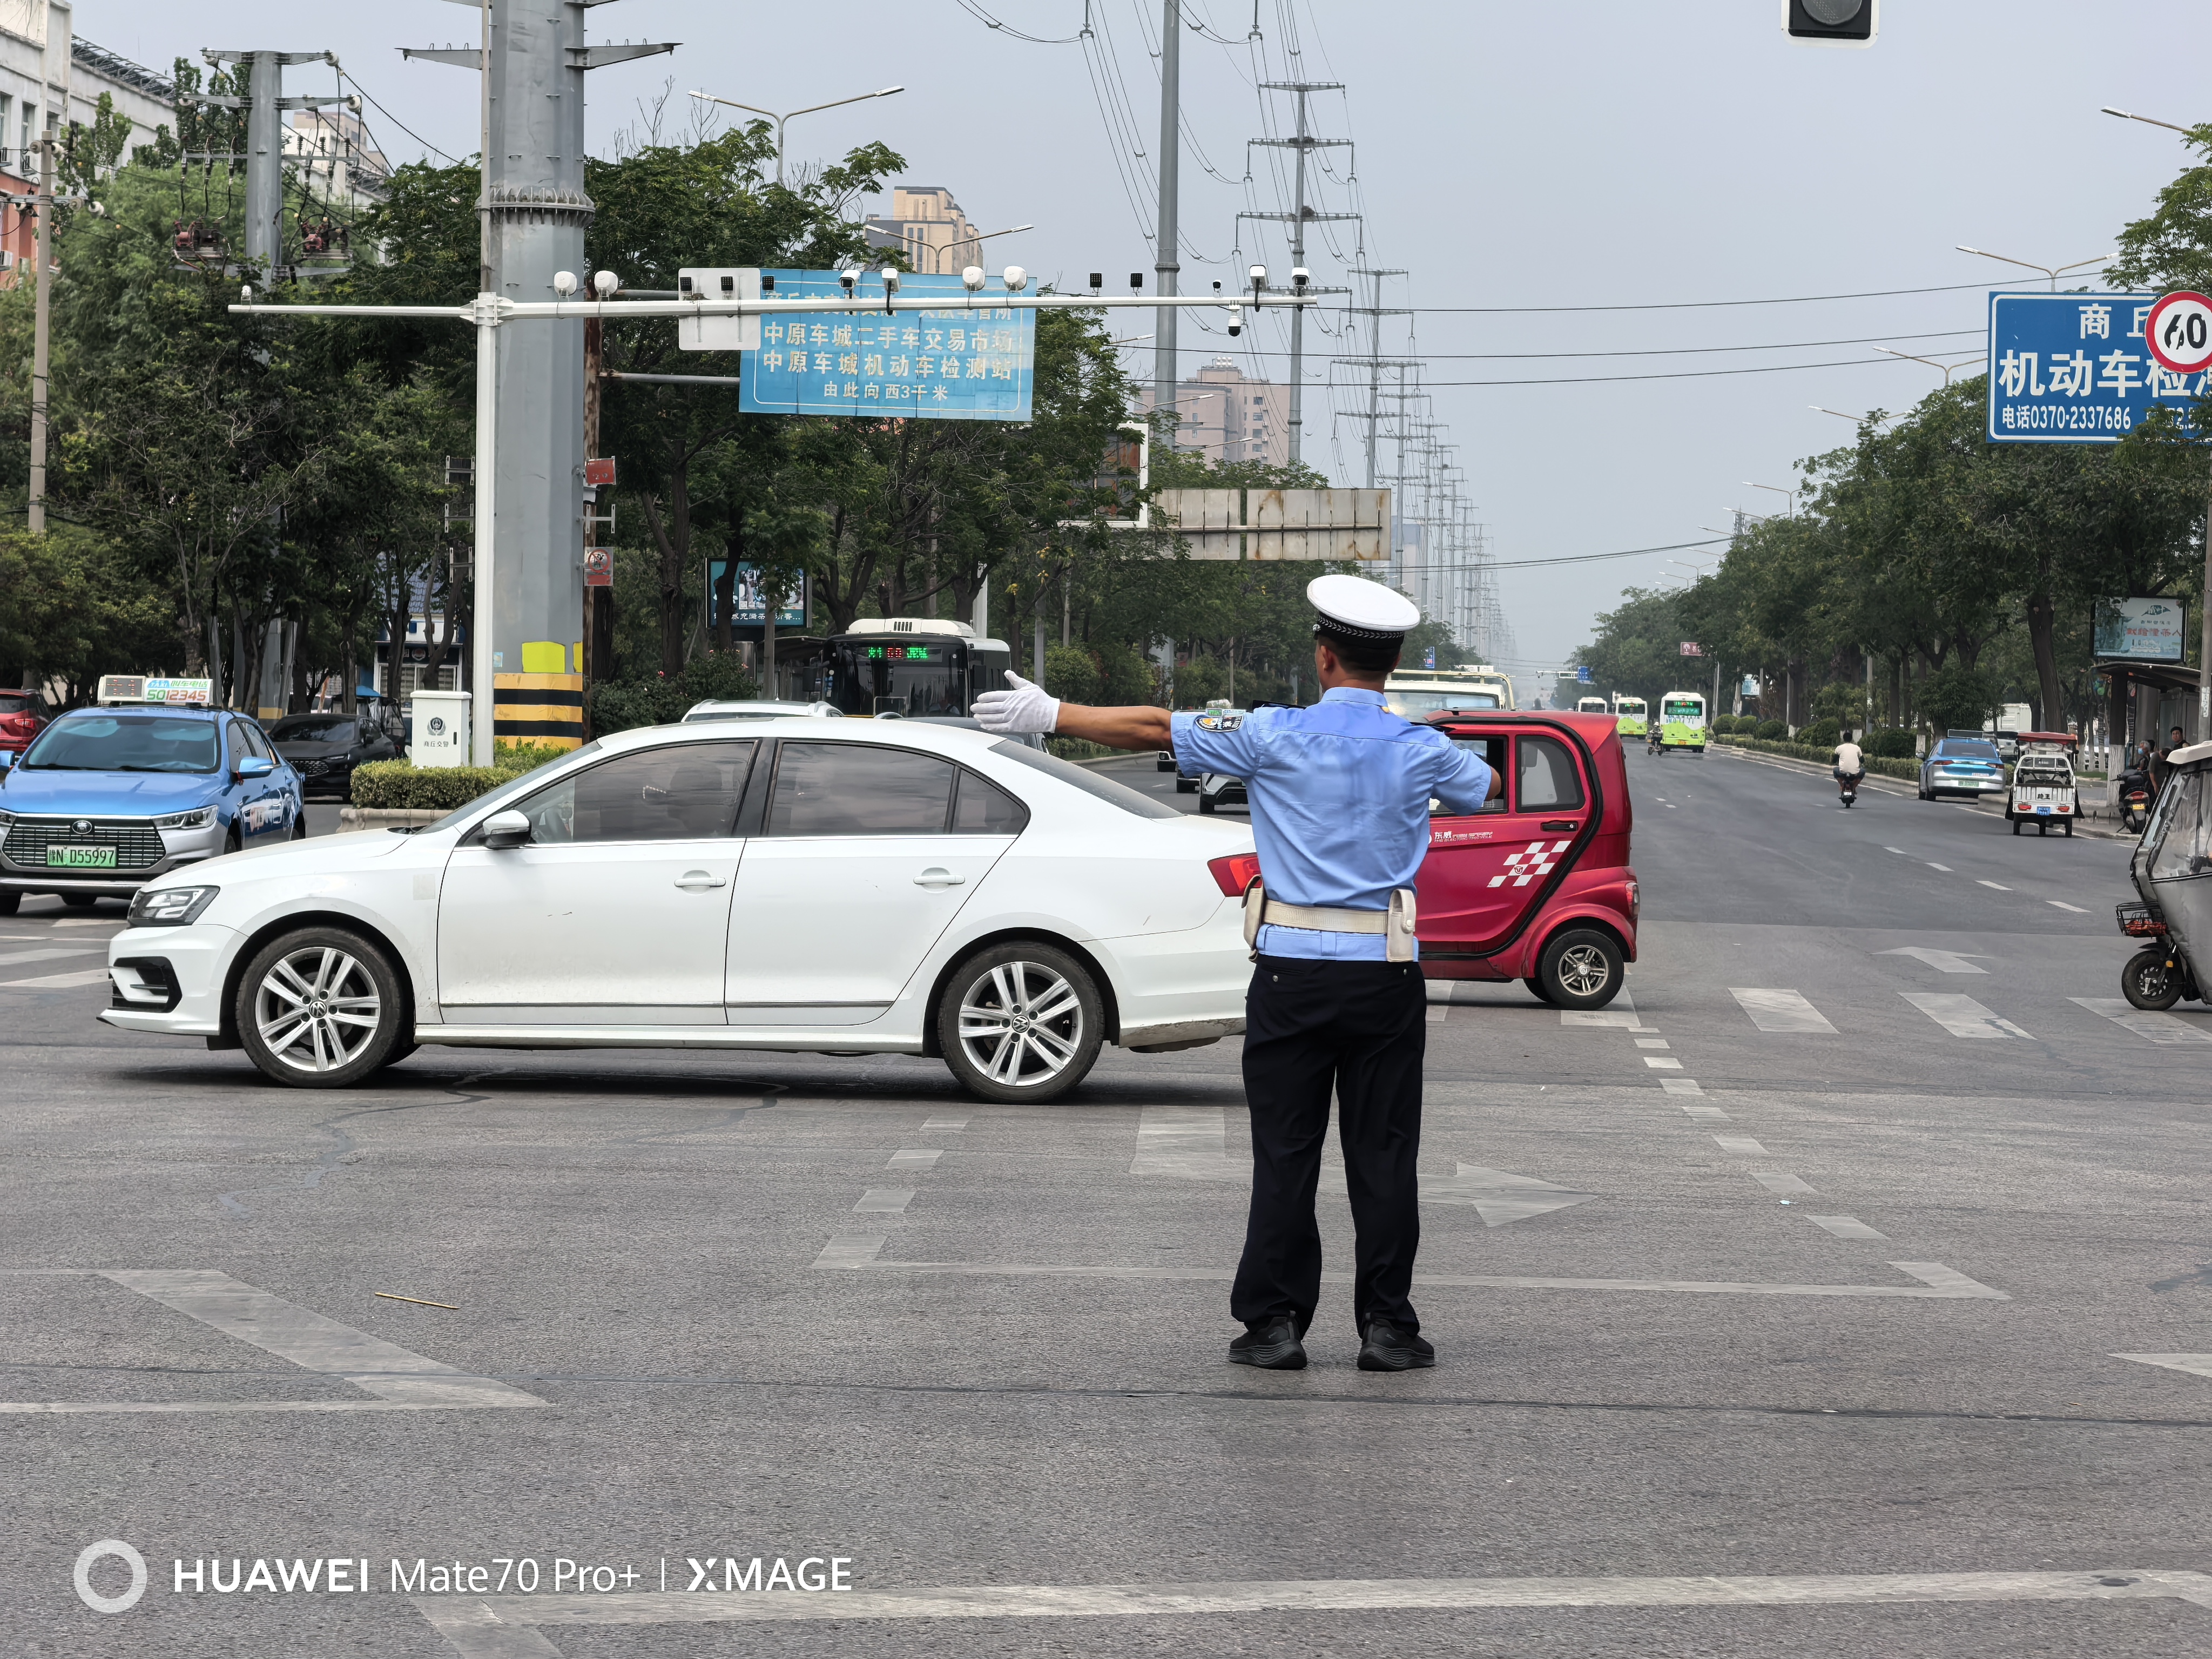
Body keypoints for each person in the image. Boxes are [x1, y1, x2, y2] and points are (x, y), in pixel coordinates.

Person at [974, 574, 1501, 1372]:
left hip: (1290, 973)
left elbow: (1154, 728)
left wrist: (1053, 715)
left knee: (1285, 1154)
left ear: (1324, 658)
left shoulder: (1270, 734)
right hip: (1384, 978)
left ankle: (1275, 1325)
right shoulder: (1422, 749)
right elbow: (1486, 787)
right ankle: (1388, 1328)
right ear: (1389, 666)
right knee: (1384, 1156)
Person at [1833, 732, 1865, 801]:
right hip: (1855, 773)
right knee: (1863, 771)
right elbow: (1862, 760)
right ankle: (1853, 787)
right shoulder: (1857, 748)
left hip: (1843, 772)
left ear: (1843, 739)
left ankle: (1842, 785)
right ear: (1852, 739)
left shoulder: (1839, 748)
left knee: (1835, 770)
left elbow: (1834, 760)